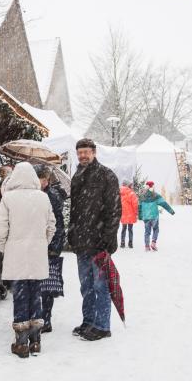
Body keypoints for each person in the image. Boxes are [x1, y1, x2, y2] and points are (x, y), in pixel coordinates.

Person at [0, 162, 56, 358]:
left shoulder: (8, 198)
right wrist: (41, 243)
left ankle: (21, 343)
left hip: (16, 254)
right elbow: (51, 226)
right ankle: (36, 341)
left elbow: (1, 229)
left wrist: (6, 248)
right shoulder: (43, 198)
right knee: (35, 295)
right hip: (37, 254)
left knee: (20, 295)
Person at [68, 138, 121, 341]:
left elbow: (114, 210)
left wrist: (108, 237)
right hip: (81, 242)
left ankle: (102, 325)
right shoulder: (77, 176)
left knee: (101, 286)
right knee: (86, 285)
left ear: (94, 152)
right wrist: (72, 233)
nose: (83, 156)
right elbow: (75, 210)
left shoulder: (106, 176)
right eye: (80, 152)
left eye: (86, 152)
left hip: (99, 241)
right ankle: (88, 321)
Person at [34, 165, 66, 334]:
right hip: (39, 245)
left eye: (42, 178)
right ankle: (41, 317)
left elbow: (57, 224)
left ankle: (45, 319)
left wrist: (53, 247)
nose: (40, 181)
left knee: (46, 286)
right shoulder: (38, 195)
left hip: (48, 247)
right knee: (39, 285)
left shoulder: (51, 196)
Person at [138, 181, 175, 252]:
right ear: (152, 187)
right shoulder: (156, 195)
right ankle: (153, 243)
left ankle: (146, 246)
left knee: (147, 232)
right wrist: (171, 211)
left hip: (146, 217)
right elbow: (164, 203)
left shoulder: (142, 196)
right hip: (154, 216)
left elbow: (139, 207)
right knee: (155, 229)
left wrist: (140, 216)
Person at [119, 179, 139, 249]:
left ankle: (122, 243)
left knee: (123, 229)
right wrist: (136, 212)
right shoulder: (131, 193)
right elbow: (135, 204)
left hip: (123, 214)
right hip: (131, 214)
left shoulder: (119, 193)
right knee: (130, 229)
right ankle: (130, 243)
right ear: (128, 185)